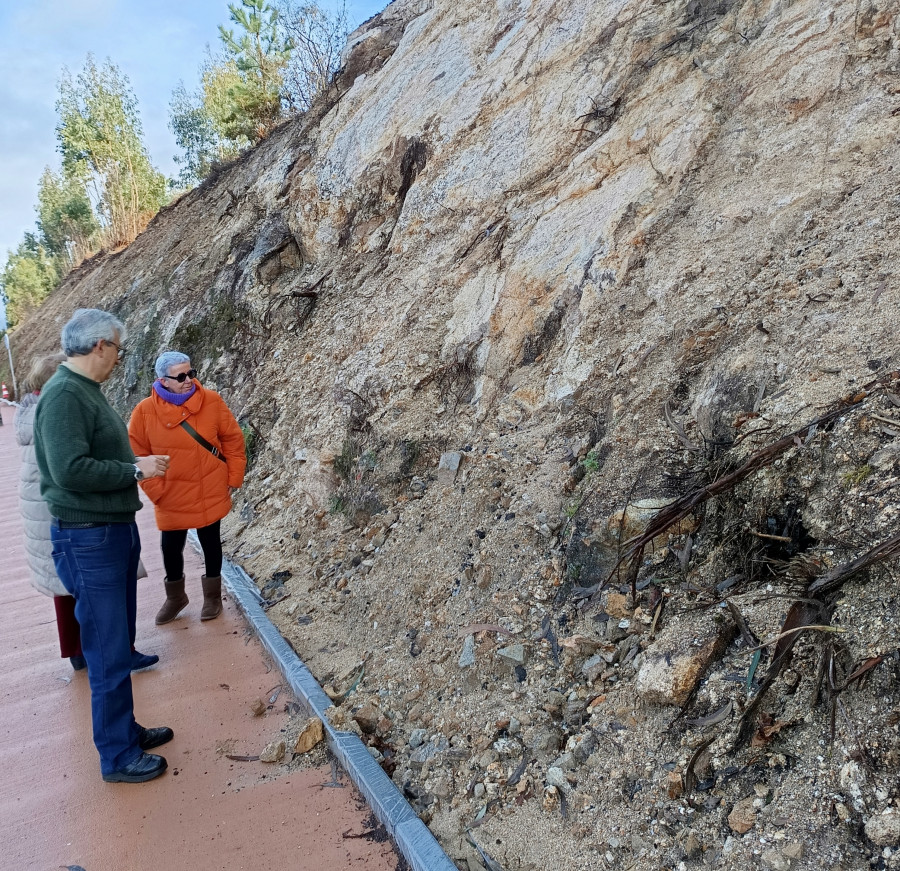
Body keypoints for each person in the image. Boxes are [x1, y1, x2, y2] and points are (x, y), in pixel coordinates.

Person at [33, 308, 173, 783]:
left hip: (106, 530)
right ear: (99, 346)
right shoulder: (65, 396)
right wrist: (135, 470)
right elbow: (70, 469)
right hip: (88, 537)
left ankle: (124, 733)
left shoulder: (82, 392)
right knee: (109, 649)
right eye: (117, 349)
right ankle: (117, 755)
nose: (118, 359)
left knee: (115, 642)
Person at [16, 353, 159, 673]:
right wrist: (129, 470)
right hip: (79, 513)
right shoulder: (62, 409)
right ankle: (120, 651)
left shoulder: (29, 414)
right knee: (109, 590)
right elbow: (79, 468)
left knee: (67, 591)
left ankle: (78, 651)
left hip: (46, 516)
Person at [128, 351, 246, 624]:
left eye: (191, 373)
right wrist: (157, 491)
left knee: (210, 542)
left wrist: (232, 478)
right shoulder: (144, 411)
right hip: (170, 493)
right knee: (170, 547)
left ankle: (212, 597)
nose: (189, 380)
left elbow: (232, 440)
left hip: (209, 486)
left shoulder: (212, 401)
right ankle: (175, 597)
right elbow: (137, 454)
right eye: (180, 376)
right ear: (163, 380)